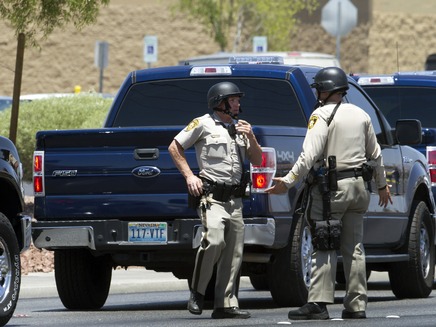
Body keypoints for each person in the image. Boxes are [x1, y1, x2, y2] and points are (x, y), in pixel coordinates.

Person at [265, 67, 392, 320]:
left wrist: (288, 182)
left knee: (323, 242)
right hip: (359, 189)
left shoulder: (321, 115)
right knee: (354, 247)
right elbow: (375, 154)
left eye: (319, 89)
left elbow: (309, 155)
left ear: (325, 90)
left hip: (332, 190)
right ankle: (357, 305)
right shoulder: (360, 114)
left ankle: (319, 303)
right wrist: (382, 185)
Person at [168, 81, 262, 319]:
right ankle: (197, 293)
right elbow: (174, 147)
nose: (238, 104)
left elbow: (258, 159)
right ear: (220, 103)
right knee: (214, 240)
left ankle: (225, 304)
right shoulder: (203, 124)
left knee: (234, 253)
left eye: (238, 100)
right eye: (234, 100)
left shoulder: (241, 128)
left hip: (236, 200)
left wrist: (250, 136)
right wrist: (189, 176)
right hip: (212, 198)